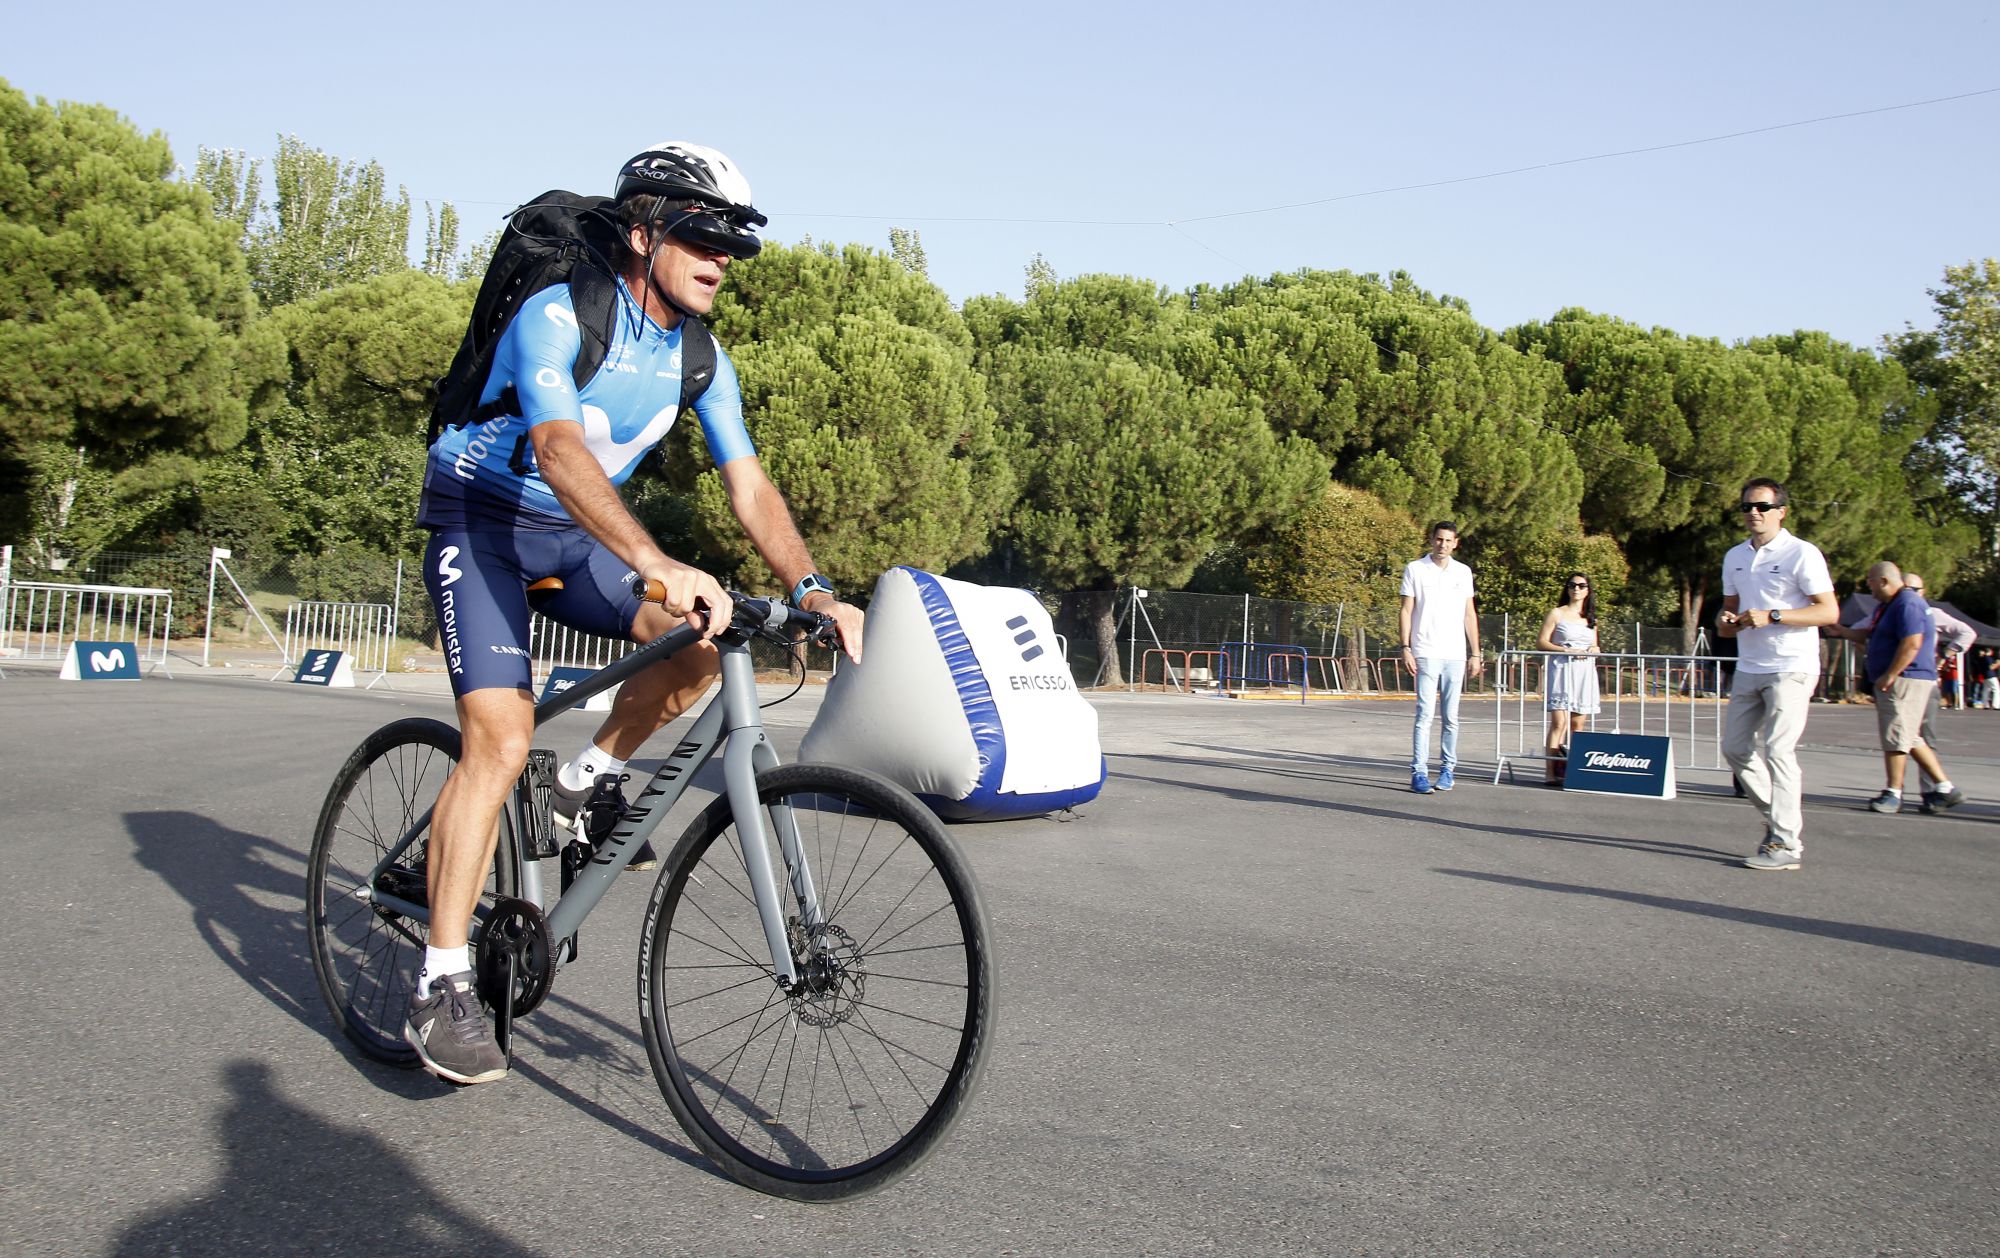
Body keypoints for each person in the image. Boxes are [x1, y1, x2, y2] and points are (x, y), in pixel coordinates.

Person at [405, 143, 865, 1086]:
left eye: (735, 243)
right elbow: (560, 449)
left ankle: (582, 782)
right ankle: (440, 982)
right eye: (704, 234)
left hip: (576, 543)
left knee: (705, 646)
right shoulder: (559, 315)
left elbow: (749, 485)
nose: (722, 256)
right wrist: (655, 560)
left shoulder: (700, 357)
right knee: (497, 737)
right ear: (646, 229)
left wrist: (813, 588)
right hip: (483, 523)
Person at [1717, 478, 1839, 872]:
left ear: (1781, 511)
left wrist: (1772, 616)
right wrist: (1727, 621)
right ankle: (1779, 819)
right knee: (1735, 748)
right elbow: (1727, 615)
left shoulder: (1802, 554)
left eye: (1763, 507)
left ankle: (1786, 843)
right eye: (1748, 507)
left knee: (1779, 749)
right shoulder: (1734, 556)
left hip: (1792, 665)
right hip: (1750, 665)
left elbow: (1828, 613)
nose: (1754, 513)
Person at [1859, 563, 1964, 815]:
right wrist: (1842, 631)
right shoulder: (1892, 606)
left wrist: (1890, 674)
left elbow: (1912, 643)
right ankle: (1945, 787)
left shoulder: (1906, 604)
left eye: (1870, 581)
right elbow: (1876, 637)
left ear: (1884, 580)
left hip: (1905, 678)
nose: (1868, 587)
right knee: (1909, 735)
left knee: (1896, 735)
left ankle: (1893, 793)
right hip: (1907, 677)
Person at [1399, 521, 1483, 794]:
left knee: (1451, 717)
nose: (1442, 545)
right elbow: (1406, 610)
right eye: (1438, 539)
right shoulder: (1415, 569)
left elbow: (1469, 614)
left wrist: (1475, 653)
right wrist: (1406, 647)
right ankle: (1419, 772)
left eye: (1448, 540)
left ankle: (1448, 769)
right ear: (1432, 540)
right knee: (1425, 715)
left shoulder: (1463, 572)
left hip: (1455, 655)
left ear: (1456, 543)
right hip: (1425, 651)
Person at [1534, 572, 1600, 787]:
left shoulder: (1591, 618)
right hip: (1561, 671)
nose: (1576, 589)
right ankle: (1550, 771)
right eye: (1572, 585)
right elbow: (1542, 642)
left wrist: (1593, 649)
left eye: (1581, 585)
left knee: (1577, 724)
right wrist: (1565, 649)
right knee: (1558, 723)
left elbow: (1596, 645)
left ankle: (1574, 771)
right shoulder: (1556, 613)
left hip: (1584, 673)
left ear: (1588, 590)